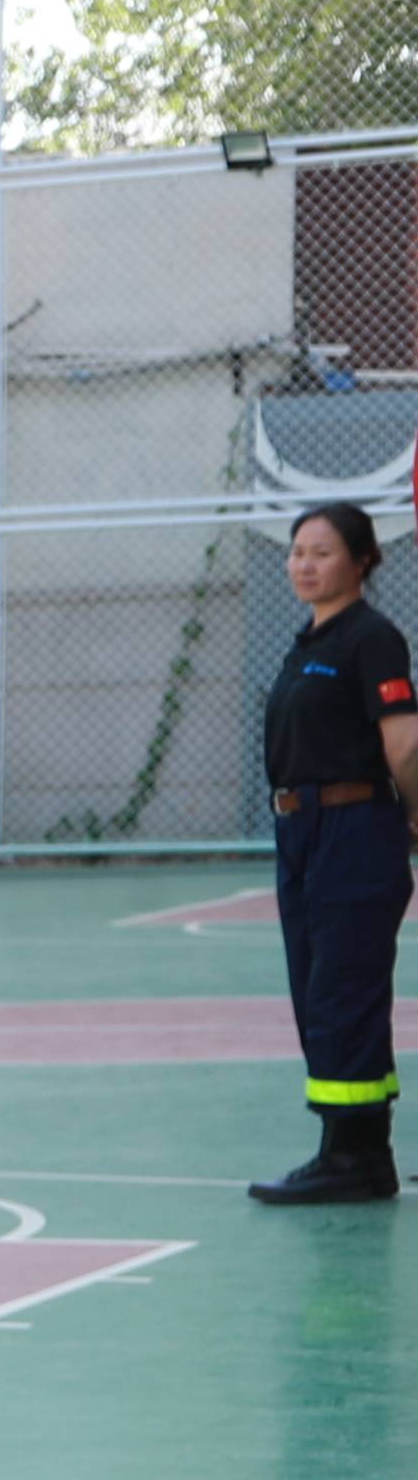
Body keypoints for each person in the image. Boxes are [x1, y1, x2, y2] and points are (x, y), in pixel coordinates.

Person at [251, 499, 418, 1208]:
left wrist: (414, 816)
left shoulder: (371, 638)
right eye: (297, 551)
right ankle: (359, 1151)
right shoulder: (306, 643)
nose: (305, 564)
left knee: (342, 989)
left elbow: (404, 743)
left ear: (362, 561)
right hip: (302, 833)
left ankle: (350, 1158)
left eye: (322, 552)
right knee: (319, 985)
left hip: (353, 828)